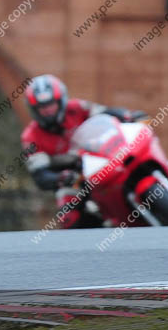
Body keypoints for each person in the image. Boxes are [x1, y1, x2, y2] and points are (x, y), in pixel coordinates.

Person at [21, 74, 146, 228]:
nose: (48, 111)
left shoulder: (77, 108)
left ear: (61, 102)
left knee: (135, 160)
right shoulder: (30, 137)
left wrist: (128, 115)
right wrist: (60, 177)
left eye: (51, 105)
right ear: (34, 109)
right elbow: (40, 175)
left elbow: (105, 113)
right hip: (75, 179)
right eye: (42, 107)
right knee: (68, 216)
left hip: (102, 159)